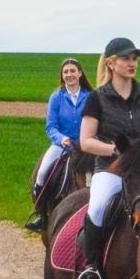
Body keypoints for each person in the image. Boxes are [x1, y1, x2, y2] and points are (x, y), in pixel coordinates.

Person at [72, 38, 140, 279]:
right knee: (98, 206)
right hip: (111, 170)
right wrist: (116, 150)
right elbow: (86, 141)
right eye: (126, 58)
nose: (132, 63)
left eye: (134, 59)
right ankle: (92, 269)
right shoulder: (96, 99)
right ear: (111, 63)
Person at [24, 58, 93, 233]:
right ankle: (41, 214)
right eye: (66, 72)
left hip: (87, 145)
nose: (69, 74)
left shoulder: (90, 97)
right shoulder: (56, 97)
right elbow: (51, 126)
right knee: (42, 173)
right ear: (62, 76)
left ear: (80, 73)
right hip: (62, 145)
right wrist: (61, 138)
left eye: (72, 71)